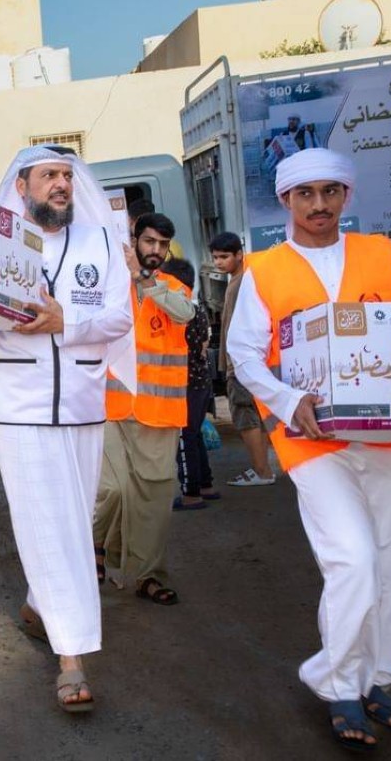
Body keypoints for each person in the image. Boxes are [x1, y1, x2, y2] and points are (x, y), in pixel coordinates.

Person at [226, 148, 391, 750]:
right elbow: (243, 353)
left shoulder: (381, 254)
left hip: (386, 433)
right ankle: (337, 681)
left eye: (331, 192)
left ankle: (374, 679)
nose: (320, 205)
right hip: (312, 440)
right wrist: (290, 401)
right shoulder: (264, 270)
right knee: (353, 559)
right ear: (286, 201)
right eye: (306, 194)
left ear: (346, 196)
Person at [0, 145, 132, 712]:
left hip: (82, 399)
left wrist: (65, 321)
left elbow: (121, 318)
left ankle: (36, 603)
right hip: (18, 403)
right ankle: (71, 657)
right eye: (49, 176)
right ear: (21, 187)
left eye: (67, 176)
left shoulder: (100, 243)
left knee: (73, 514)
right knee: (46, 518)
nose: (61, 185)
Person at [91, 212, 195, 606]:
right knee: (111, 490)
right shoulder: (109, 287)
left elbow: (185, 314)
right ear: (133, 241)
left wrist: (144, 280)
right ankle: (96, 545)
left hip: (158, 414)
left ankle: (147, 575)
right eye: (149, 242)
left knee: (152, 501)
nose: (155, 251)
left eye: (162, 245)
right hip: (110, 409)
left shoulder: (172, 287)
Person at [212, 232, 276, 487]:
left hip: (239, 362)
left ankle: (262, 472)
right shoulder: (240, 280)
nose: (218, 262)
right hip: (245, 361)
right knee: (253, 417)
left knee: (245, 417)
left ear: (239, 255)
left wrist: (231, 364)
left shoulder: (241, 283)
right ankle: (262, 469)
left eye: (224, 257)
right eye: (215, 257)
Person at [174, 284, 218, 510]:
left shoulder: (178, 312)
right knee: (194, 434)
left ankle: (191, 493)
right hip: (201, 381)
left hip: (186, 383)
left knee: (185, 437)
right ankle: (205, 484)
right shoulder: (198, 309)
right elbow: (203, 344)